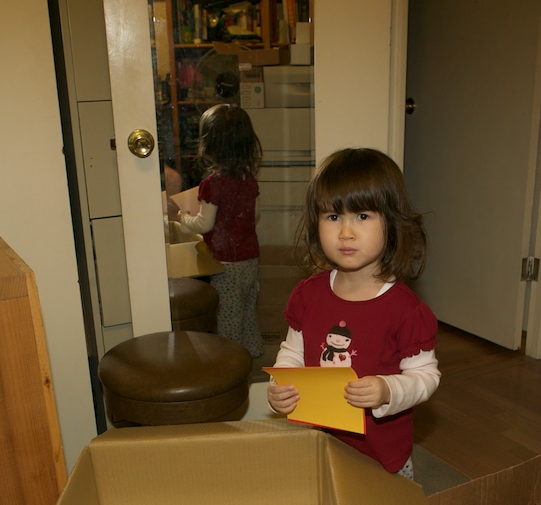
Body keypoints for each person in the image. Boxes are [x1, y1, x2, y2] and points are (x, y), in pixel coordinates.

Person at [266, 147, 439, 481]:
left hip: (382, 455)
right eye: (333, 217)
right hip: (319, 441)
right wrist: (281, 384)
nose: (345, 232)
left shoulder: (406, 310)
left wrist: (388, 390)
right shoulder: (307, 295)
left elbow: (426, 377)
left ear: (391, 222)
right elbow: (292, 352)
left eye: (362, 216)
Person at [174, 104, 263, 357]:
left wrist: (183, 219)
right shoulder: (249, 179)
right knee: (247, 310)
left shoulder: (212, 184)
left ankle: (230, 359)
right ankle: (253, 351)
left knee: (228, 317)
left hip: (226, 264)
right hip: (251, 258)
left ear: (209, 146)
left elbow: (204, 224)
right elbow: (256, 214)